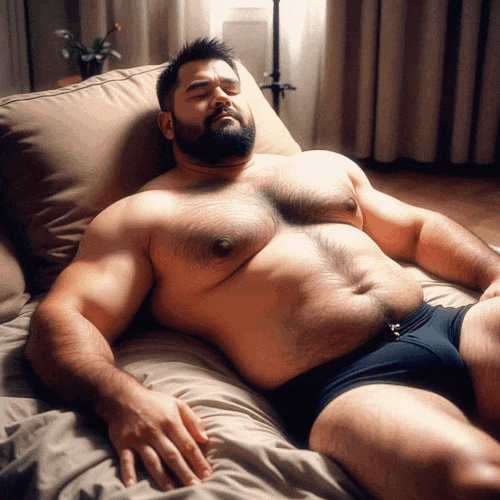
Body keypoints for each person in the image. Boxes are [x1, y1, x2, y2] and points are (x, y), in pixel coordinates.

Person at [25, 37, 500, 500]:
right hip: (348, 381)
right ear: (168, 124)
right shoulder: (141, 215)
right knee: (480, 482)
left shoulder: (319, 165)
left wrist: (494, 274)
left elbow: (417, 229)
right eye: (200, 91)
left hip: (448, 326)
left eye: (230, 88)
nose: (221, 98)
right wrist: (120, 398)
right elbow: (66, 316)